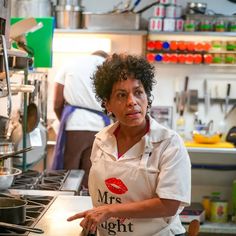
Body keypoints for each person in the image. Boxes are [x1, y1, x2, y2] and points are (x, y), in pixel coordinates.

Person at [67, 53, 191, 236]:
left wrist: (110, 211)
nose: (132, 102)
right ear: (107, 104)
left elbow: (169, 204)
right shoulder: (101, 140)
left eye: (138, 92)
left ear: (147, 97)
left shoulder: (169, 144)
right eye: (121, 95)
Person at [51, 50, 111, 188]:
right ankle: (86, 207)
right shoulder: (109, 68)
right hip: (102, 128)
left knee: (68, 176)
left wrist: (64, 121)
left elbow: (57, 103)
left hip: (74, 125)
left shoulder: (71, 64)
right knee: (91, 178)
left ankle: (66, 207)